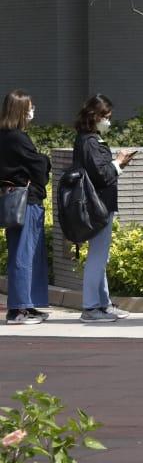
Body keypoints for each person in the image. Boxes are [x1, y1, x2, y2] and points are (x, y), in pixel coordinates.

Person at [69, 95, 134, 322]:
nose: (108, 121)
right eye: (105, 117)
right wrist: (118, 162)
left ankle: (103, 303)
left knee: (100, 256)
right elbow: (102, 174)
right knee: (97, 257)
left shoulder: (88, 140)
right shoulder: (90, 142)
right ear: (94, 116)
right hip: (98, 206)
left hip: (99, 205)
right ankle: (91, 307)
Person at [1, 91, 51, 325]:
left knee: (27, 252)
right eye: (30, 107)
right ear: (21, 111)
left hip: (13, 198)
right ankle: (18, 309)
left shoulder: (5, 136)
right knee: (24, 253)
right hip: (26, 200)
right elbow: (38, 165)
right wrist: (45, 161)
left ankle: (27, 305)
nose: (33, 111)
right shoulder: (18, 138)